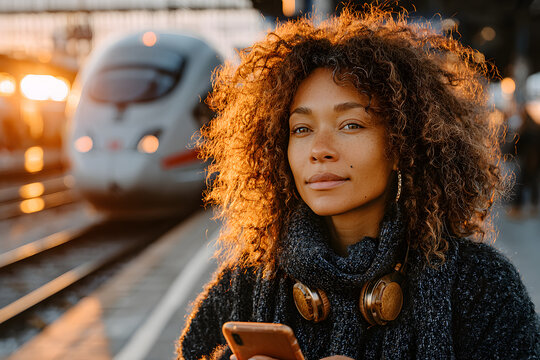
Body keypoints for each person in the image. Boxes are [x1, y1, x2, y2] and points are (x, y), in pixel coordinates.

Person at [177, 6, 540, 360]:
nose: (319, 150)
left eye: (351, 125)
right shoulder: (249, 278)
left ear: (402, 143)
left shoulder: (479, 285)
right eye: (301, 129)